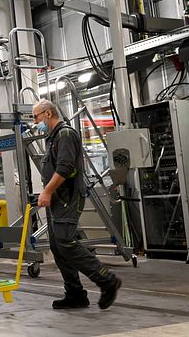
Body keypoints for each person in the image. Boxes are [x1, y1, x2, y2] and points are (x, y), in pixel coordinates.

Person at [32, 98, 121, 310]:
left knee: (67, 242)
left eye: (36, 117)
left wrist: (47, 191)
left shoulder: (65, 134)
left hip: (67, 198)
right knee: (58, 246)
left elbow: (65, 168)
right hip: (57, 199)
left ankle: (106, 279)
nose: (35, 122)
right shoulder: (53, 138)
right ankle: (75, 294)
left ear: (48, 114)